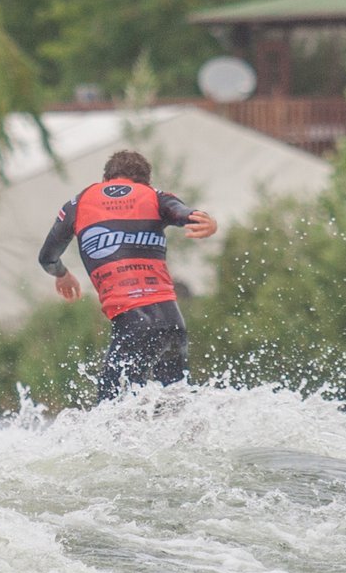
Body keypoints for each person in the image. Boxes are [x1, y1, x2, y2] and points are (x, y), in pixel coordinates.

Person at [38, 149, 218, 401]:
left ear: (106, 179)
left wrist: (62, 274)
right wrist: (206, 221)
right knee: (179, 409)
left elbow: (47, 257)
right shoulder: (153, 196)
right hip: (172, 322)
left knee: (110, 412)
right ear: (145, 182)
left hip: (134, 324)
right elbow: (183, 212)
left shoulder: (79, 204)